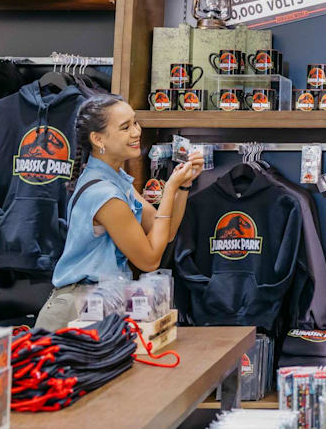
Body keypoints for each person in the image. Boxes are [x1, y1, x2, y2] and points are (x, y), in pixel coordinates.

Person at [35, 94, 205, 330]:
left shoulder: (116, 180)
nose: (137, 132)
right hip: (76, 310)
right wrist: (169, 190)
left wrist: (184, 186)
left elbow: (164, 232)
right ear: (98, 139)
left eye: (135, 122)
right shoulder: (105, 195)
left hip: (98, 304)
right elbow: (149, 260)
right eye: (125, 127)